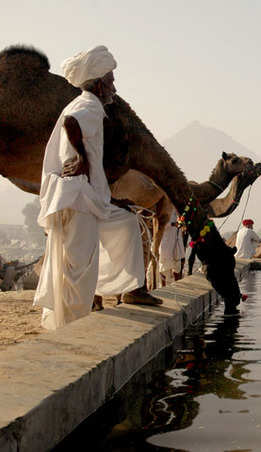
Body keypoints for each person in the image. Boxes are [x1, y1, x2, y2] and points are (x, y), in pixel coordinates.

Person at [33, 45, 160, 330]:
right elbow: (70, 123)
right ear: (101, 82)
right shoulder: (88, 105)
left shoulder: (89, 105)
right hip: (76, 200)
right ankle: (72, 325)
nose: (114, 86)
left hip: (88, 197)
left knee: (127, 222)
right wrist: (79, 155)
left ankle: (131, 288)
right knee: (79, 267)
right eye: (112, 80)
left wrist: (114, 202)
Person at [158, 210, 185, 286]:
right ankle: (163, 286)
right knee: (164, 265)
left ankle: (177, 285)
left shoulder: (177, 210)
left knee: (177, 264)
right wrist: (172, 224)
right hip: (166, 241)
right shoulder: (164, 208)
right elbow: (159, 223)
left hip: (176, 241)